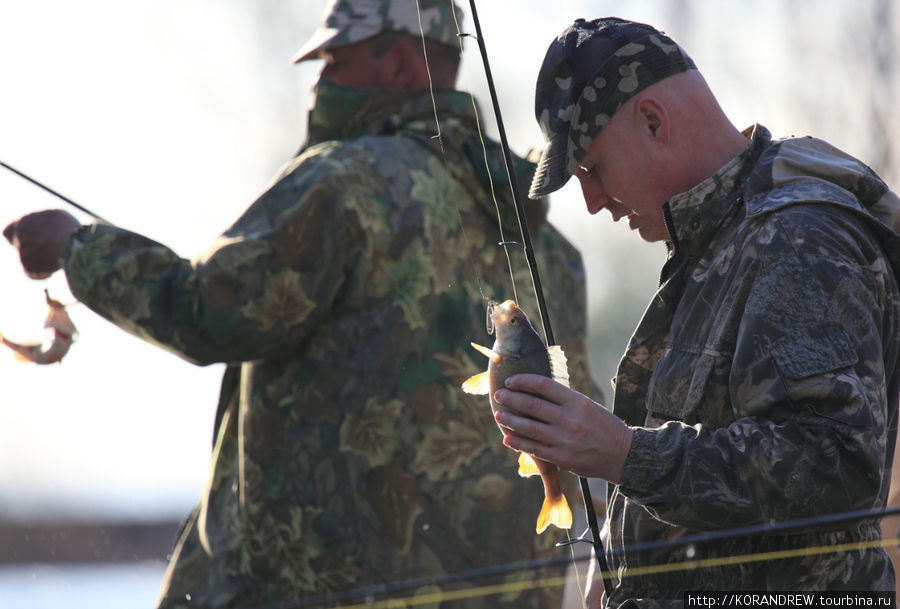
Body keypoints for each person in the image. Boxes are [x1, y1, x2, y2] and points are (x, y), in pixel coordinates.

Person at [3, 2, 601, 608]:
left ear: (397, 62)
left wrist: (75, 247)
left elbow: (208, 311)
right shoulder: (549, 245)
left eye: (332, 61)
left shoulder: (342, 184)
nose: (317, 84)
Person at [491, 16, 900, 608]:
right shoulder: (718, 244)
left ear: (654, 121)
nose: (593, 202)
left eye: (593, 170)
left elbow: (835, 468)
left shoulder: (799, 239)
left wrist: (623, 453)